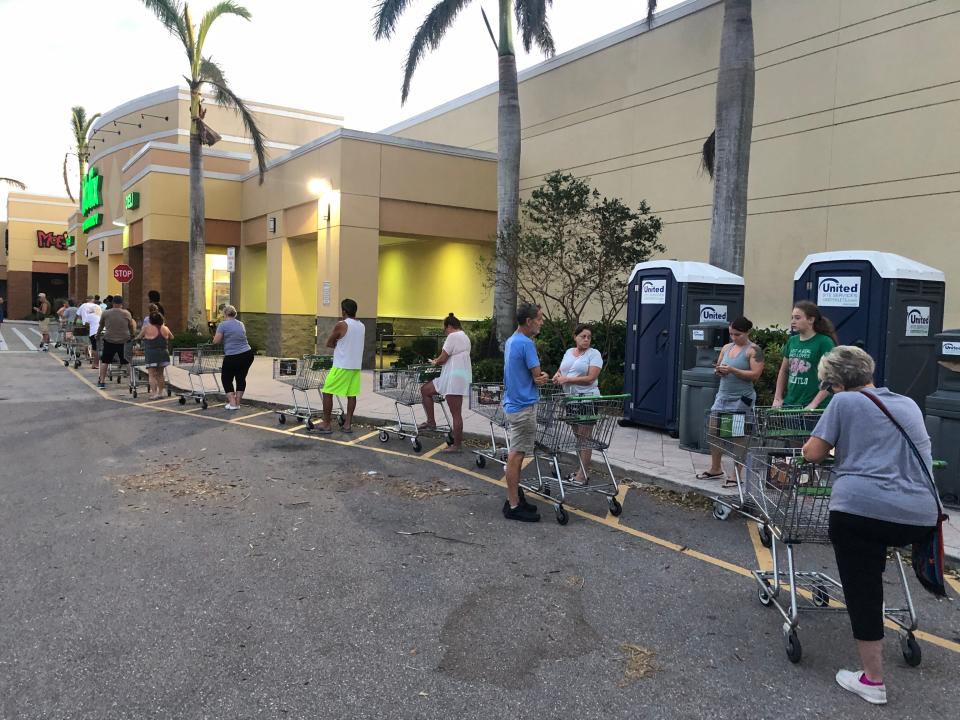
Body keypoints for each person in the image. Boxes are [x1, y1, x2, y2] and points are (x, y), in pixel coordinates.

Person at [801, 346, 939, 706]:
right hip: (920, 515)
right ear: (868, 373)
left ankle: (872, 680)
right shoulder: (907, 404)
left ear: (834, 383)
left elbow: (814, 453)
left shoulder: (843, 404)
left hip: (862, 510)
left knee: (864, 588)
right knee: (877, 555)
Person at [698, 317, 765, 485]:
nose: (734, 338)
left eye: (738, 334)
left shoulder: (754, 350)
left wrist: (733, 370)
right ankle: (715, 468)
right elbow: (719, 366)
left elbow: (755, 375)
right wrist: (719, 371)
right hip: (723, 395)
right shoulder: (727, 348)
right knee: (714, 431)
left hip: (741, 398)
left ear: (747, 332)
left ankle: (736, 474)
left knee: (736, 435)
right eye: (731, 334)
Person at [502, 302, 551, 522]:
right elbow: (538, 377)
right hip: (524, 408)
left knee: (517, 454)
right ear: (529, 321)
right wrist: (545, 377)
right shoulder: (527, 344)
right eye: (539, 318)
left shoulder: (512, 341)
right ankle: (513, 505)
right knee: (516, 456)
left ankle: (515, 497)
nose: (541, 322)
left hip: (513, 404)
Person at [552, 324, 605, 485]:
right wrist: (557, 375)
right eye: (583, 336)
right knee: (578, 437)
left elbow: (590, 377)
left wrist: (567, 379)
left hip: (587, 399)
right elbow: (562, 370)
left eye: (589, 337)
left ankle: (582, 475)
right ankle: (579, 470)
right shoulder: (569, 352)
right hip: (571, 399)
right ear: (575, 337)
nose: (586, 340)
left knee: (585, 438)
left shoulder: (594, 354)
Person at [419, 313, 472, 453]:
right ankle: (431, 421)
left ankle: (457, 445)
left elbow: (443, 358)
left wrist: (435, 361)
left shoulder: (452, 336)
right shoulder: (465, 337)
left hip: (452, 378)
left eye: (445, 329)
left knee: (456, 413)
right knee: (425, 390)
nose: (445, 331)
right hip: (459, 376)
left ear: (449, 326)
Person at [773, 300, 838, 410]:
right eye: (792, 317)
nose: (793, 321)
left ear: (811, 320)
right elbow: (784, 370)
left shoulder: (824, 342)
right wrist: (777, 398)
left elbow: (831, 376)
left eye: (797, 318)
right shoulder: (792, 341)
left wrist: (814, 404)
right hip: (791, 404)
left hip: (814, 407)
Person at [317, 299, 365, 434]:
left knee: (327, 392)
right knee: (352, 394)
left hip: (341, 365)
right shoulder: (362, 325)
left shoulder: (342, 324)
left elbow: (329, 342)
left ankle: (326, 423)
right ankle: (347, 425)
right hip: (355, 365)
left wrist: (338, 344)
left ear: (343, 311)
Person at [213, 305, 255, 411]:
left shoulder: (223, 325)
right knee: (240, 378)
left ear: (225, 314)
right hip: (247, 354)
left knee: (226, 378)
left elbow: (216, 341)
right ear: (234, 314)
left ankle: (232, 403)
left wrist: (215, 338)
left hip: (233, 355)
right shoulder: (241, 324)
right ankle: (237, 402)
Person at [96, 296, 136, 388]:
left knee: (105, 361)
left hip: (109, 340)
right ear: (122, 304)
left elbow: (101, 326)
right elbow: (131, 327)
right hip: (124, 340)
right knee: (127, 361)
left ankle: (102, 381)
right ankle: (132, 381)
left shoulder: (105, 313)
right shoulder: (127, 313)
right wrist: (132, 336)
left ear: (113, 303)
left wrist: (98, 335)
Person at [136, 310, 173, 399]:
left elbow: (139, 337)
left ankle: (154, 393)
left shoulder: (146, 328)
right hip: (163, 353)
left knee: (152, 374)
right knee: (160, 374)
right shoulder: (165, 328)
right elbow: (172, 337)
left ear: (151, 320)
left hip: (151, 354)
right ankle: (160, 393)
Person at [77, 296, 102, 367]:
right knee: (99, 347)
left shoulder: (88, 314)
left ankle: (93, 362)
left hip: (93, 331)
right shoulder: (99, 312)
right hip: (102, 331)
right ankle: (96, 362)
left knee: (93, 346)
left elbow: (82, 320)